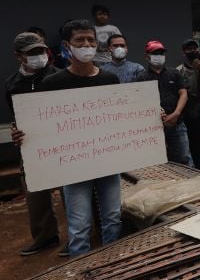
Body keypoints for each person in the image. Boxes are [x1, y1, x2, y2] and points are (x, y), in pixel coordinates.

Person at [12, 20, 123, 257]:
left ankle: (113, 264)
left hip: (108, 161)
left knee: (113, 218)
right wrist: (24, 135)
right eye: (79, 40)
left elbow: (121, 117)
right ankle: (80, 267)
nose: (86, 45)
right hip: (73, 166)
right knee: (79, 225)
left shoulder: (110, 79)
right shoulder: (52, 84)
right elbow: (38, 125)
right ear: (67, 46)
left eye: (91, 40)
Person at [5, 32, 61, 256]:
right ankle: (45, 236)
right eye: (32, 53)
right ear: (19, 56)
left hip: (62, 142)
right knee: (35, 193)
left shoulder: (59, 77)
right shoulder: (12, 84)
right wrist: (16, 131)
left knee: (71, 191)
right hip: (33, 145)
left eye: (41, 51)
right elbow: (17, 116)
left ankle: (78, 236)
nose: (39, 56)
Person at [136, 40, 192, 166]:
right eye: (155, 53)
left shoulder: (174, 73)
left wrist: (176, 113)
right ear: (147, 56)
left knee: (184, 158)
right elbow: (140, 101)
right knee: (156, 161)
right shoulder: (142, 77)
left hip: (177, 123)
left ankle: (187, 184)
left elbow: (183, 94)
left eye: (161, 53)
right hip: (153, 127)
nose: (159, 56)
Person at [176, 39, 200, 170]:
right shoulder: (179, 71)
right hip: (192, 114)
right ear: (183, 52)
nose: (192, 51)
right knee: (196, 146)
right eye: (189, 49)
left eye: (194, 48)